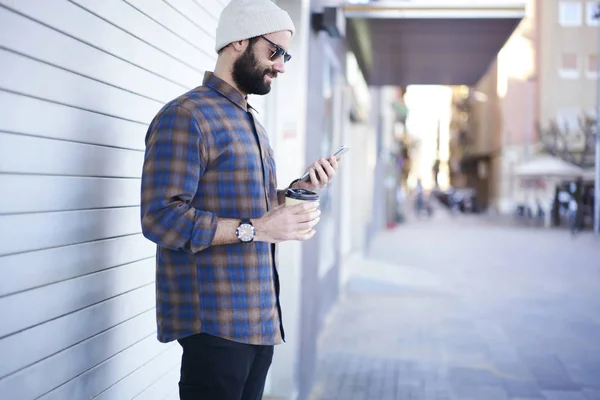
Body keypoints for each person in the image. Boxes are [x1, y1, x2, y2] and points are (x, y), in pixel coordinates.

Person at [140, 1, 341, 399]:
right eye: (274, 52)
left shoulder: (252, 122)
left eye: (286, 55)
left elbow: (253, 204)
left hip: (259, 320)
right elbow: (160, 217)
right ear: (238, 41)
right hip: (214, 324)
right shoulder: (186, 115)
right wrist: (258, 229)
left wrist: (299, 189)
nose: (281, 65)